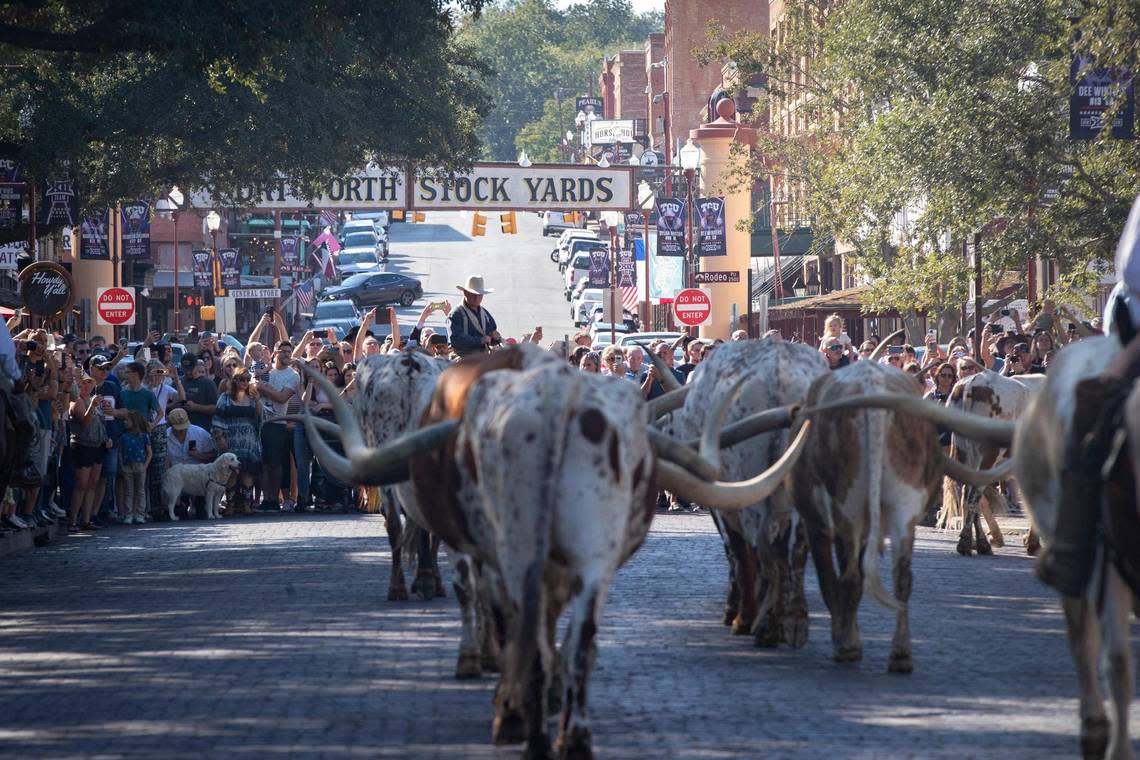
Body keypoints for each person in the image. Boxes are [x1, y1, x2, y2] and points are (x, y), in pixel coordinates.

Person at [252, 340, 299, 512]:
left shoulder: (293, 376)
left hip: (278, 422)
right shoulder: (265, 370)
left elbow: (281, 398)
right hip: (260, 421)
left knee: (277, 463)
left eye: (289, 351)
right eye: (283, 351)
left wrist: (263, 389)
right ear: (275, 353)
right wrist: (259, 385)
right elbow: (252, 386)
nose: (286, 354)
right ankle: (267, 499)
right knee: (264, 463)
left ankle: (274, 499)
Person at [212, 367, 262, 515]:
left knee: (248, 473)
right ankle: (230, 505)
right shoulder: (225, 398)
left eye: (248, 379)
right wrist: (219, 437)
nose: (245, 382)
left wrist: (258, 400)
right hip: (230, 440)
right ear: (235, 380)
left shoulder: (252, 397)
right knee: (231, 474)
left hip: (248, 441)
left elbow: (258, 416)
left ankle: (247, 505)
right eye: (242, 379)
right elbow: (218, 417)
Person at [67, 374, 108, 532]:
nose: (87, 386)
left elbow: (99, 423)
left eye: (90, 382)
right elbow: (84, 421)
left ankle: (86, 519)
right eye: (83, 383)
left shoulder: (95, 401)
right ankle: (72, 521)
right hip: (82, 445)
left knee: (92, 484)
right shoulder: (76, 401)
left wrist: (106, 438)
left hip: (97, 445)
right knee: (81, 485)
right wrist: (92, 405)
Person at [449, 275, 500, 357]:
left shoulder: (485, 314)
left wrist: (495, 336)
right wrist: (480, 340)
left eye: (479, 295)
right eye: (473, 294)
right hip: (464, 357)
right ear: (465, 293)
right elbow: (456, 339)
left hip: (484, 355)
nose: (477, 298)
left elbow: (492, 331)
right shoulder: (456, 314)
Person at [119, 411, 152, 524]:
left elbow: (149, 452)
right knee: (129, 491)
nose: (125, 422)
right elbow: (120, 452)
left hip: (140, 466)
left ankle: (140, 514)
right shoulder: (123, 437)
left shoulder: (143, 436)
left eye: (127, 420)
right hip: (127, 466)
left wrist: (145, 465)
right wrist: (122, 465)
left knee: (140, 491)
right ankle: (129, 514)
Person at [182, 358, 219, 430]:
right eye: (187, 368)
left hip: (203, 428)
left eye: (202, 372)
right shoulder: (178, 382)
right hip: (182, 428)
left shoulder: (208, 383)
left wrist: (196, 407)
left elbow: (216, 408)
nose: (189, 371)